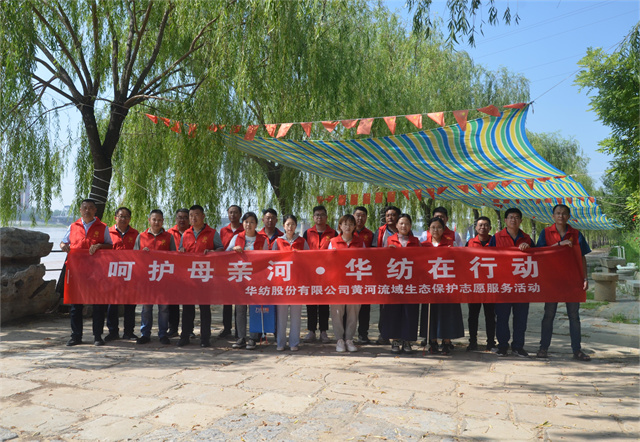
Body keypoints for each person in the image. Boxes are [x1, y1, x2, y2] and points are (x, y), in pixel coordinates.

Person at [536, 204, 592, 361]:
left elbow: (582, 257)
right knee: (549, 315)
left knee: (574, 316)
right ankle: (543, 348)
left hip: (572, 280)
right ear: (553, 216)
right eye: (558, 213)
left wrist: (585, 278)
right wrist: (559, 245)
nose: (561, 216)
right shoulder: (546, 233)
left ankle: (577, 350)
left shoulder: (576, 234)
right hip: (552, 280)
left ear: (569, 216)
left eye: (564, 213)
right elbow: (540, 253)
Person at [60, 199, 113, 346]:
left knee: (98, 305)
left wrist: (99, 246)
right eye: (85, 208)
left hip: (96, 272)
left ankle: (97, 336)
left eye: (90, 208)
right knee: (76, 305)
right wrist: (63, 246)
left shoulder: (103, 227)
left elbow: (110, 246)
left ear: (95, 210)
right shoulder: (73, 226)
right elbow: (63, 242)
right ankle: (76, 336)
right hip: (77, 272)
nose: (87, 210)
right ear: (80, 210)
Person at [488, 208, 534, 357]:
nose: (513, 220)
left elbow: (537, 258)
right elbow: (488, 257)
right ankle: (502, 346)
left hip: (521, 286)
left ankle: (518, 346)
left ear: (521, 221)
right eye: (510, 217)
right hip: (503, 286)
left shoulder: (527, 238)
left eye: (516, 217)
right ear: (505, 220)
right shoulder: (496, 237)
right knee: (502, 318)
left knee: (521, 318)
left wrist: (529, 249)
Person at [178, 205, 223, 348]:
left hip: (205, 277)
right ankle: (185, 336)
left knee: (204, 309)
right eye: (191, 215)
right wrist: (181, 250)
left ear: (203, 216)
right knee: (187, 309)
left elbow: (221, 249)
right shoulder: (186, 234)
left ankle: (205, 338)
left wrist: (213, 252)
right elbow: (180, 250)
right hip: (189, 277)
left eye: (196, 215)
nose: (193, 218)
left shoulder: (212, 233)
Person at [420, 217, 464, 355]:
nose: (436, 230)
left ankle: (446, 341)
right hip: (430, 285)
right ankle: (432, 341)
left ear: (444, 229)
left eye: (439, 227)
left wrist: (454, 252)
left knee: (447, 313)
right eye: (433, 227)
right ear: (429, 229)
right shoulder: (423, 246)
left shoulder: (451, 244)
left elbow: (460, 262)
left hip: (447, 286)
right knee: (431, 312)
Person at [380, 213, 421, 354]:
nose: (404, 226)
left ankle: (407, 340)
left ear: (411, 226)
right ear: (397, 225)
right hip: (394, 283)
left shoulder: (416, 241)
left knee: (410, 312)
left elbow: (422, 260)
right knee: (393, 312)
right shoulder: (389, 240)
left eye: (407, 223)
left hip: (411, 283)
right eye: (401, 223)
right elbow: (381, 259)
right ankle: (395, 340)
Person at [228, 211, 270, 350]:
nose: (248, 225)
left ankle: (253, 338)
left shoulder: (262, 240)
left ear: (256, 224)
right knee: (240, 310)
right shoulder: (236, 238)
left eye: (252, 222)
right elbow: (225, 253)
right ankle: (241, 338)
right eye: (246, 222)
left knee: (254, 310)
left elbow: (267, 259)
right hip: (240, 279)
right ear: (243, 223)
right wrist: (233, 249)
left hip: (256, 280)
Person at [134, 209, 177, 345]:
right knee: (146, 307)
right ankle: (145, 334)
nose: (156, 222)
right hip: (146, 278)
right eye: (154, 219)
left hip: (163, 277)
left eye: (159, 220)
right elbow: (134, 256)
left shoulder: (169, 237)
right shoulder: (141, 236)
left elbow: (174, 256)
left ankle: (163, 334)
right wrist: (142, 253)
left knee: (163, 308)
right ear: (149, 220)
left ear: (163, 221)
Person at [272, 214, 309, 351]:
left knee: (296, 316)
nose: (290, 227)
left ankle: (294, 343)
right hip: (281, 284)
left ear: (296, 226)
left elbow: (309, 259)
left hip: (297, 284)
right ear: (283, 226)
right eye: (288, 224)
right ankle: (280, 343)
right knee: (281, 316)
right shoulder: (278, 242)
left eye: (293, 224)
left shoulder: (302, 241)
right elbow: (272, 261)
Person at [328, 214, 364, 352]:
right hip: (337, 283)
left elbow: (366, 260)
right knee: (337, 311)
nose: (347, 227)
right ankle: (339, 340)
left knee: (353, 311)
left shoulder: (360, 242)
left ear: (354, 226)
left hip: (355, 283)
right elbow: (327, 262)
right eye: (345, 224)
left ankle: (349, 339)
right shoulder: (333, 242)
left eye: (350, 224)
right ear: (340, 226)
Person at [302, 205, 336, 344]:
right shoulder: (307, 233)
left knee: (324, 303)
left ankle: (323, 331)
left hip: (327, 274)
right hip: (311, 273)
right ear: (313, 217)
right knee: (311, 303)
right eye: (317, 215)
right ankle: (311, 331)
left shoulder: (333, 233)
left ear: (326, 217)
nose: (319, 217)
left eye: (322, 215)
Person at [105, 207, 139, 342]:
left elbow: (140, 254)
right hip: (113, 274)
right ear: (115, 218)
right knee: (112, 304)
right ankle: (113, 332)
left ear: (130, 219)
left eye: (126, 217)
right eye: (121, 216)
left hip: (130, 275)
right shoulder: (108, 233)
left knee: (130, 305)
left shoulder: (136, 234)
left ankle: (129, 332)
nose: (123, 219)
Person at [465, 216, 497, 352]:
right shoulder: (470, 243)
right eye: (480, 225)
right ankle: (472, 341)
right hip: (475, 285)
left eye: (485, 225)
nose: (483, 227)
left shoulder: (495, 242)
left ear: (490, 228)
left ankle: (491, 342)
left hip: (490, 285)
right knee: (473, 315)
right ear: (476, 228)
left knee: (490, 315)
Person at [372, 205, 401, 345]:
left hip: (401, 273)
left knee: (399, 305)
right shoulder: (380, 231)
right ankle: (383, 334)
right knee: (384, 306)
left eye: (393, 215)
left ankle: (398, 334)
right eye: (388, 215)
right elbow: (373, 251)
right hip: (384, 273)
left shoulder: (405, 230)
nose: (390, 217)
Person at [218, 204, 244, 338]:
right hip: (226, 269)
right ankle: (227, 328)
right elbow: (221, 248)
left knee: (240, 301)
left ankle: (239, 330)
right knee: (227, 301)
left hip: (241, 269)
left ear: (240, 215)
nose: (232, 215)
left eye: (235, 212)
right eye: (230, 212)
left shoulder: (244, 229)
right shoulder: (223, 230)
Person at [166, 208, 190, 337]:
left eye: (185, 217)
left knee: (188, 303)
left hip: (189, 272)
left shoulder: (192, 232)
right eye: (180, 217)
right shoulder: (169, 233)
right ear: (176, 219)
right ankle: (173, 328)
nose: (182, 220)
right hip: (172, 272)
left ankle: (188, 330)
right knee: (172, 302)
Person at [353, 206, 374, 344]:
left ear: (366, 218)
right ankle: (346, 335)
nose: (360, 218)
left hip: (365, 275)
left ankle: (363, 334)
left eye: (363, 216)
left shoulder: (371, 234)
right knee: (348, 306)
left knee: (365, 307)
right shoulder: (347, 232)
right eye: (357, 215)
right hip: (350, 275)